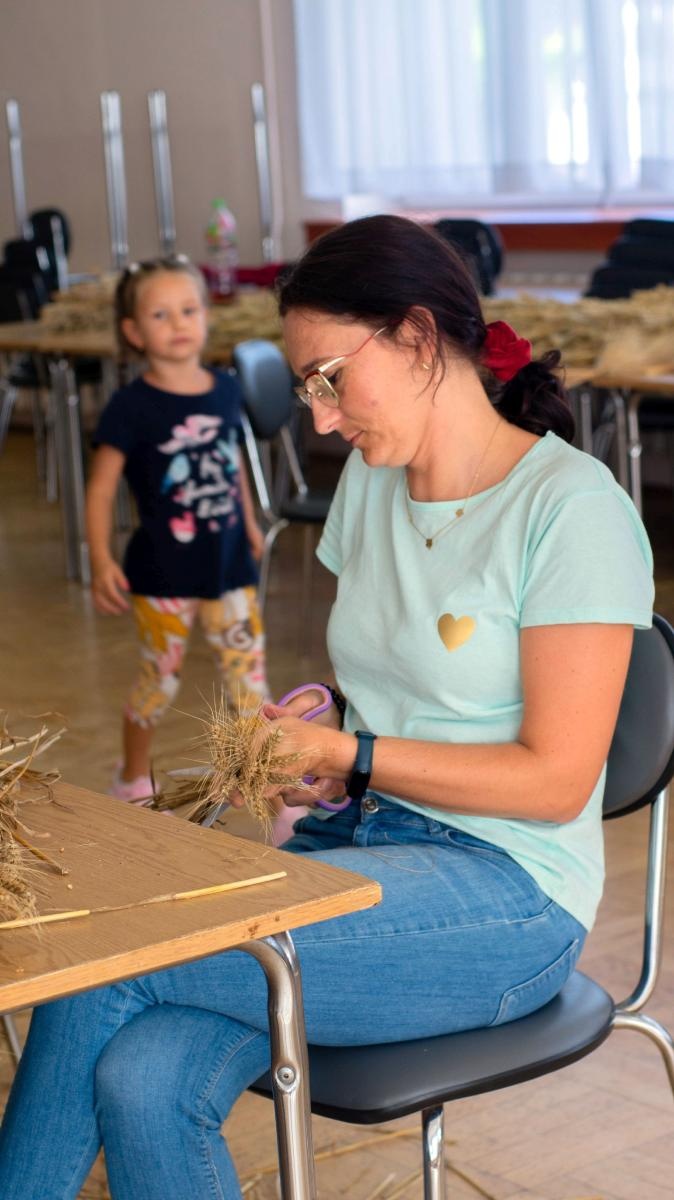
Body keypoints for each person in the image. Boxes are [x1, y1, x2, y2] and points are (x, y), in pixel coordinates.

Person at [0, 216, 653, 1199]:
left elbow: (555, 781)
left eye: (329, 379)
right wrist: (318, 735)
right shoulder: (372, 484)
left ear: (417, 337)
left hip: (512, 898)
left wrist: (352, 755)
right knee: (142, 1077)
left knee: (111, 960)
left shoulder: (571, 508)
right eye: (308, 388)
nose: (319, 420)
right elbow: (392, 686)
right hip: (360, 847)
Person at [84, 256, 268, 803]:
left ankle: (263, 787)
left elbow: (231, 462)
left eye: (188, 310)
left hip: (230, 566)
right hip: (162, 575)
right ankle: (132, 779)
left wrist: (249, 522)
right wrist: (100, 559)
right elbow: (101, 490)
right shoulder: (129, 407)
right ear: (134, 332)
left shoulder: (226, 389)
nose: (178, 324)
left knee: (250, 685)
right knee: (158, 682)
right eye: (160, 315)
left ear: (207, 315)